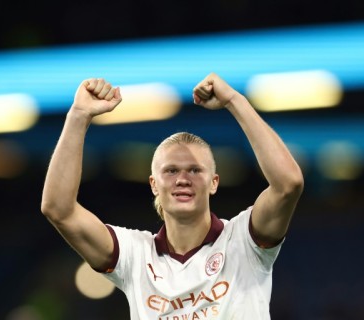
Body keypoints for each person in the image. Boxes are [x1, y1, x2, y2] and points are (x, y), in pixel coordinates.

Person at [41, 73, 304, 319]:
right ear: (154, 185)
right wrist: (78, 115)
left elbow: (288, 184)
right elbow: (58, 209)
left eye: (194, 170)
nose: (182, 179)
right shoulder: (134, 255)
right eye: (171, 171)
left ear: (214, 183)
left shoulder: (244, 241)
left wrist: (236, 101)